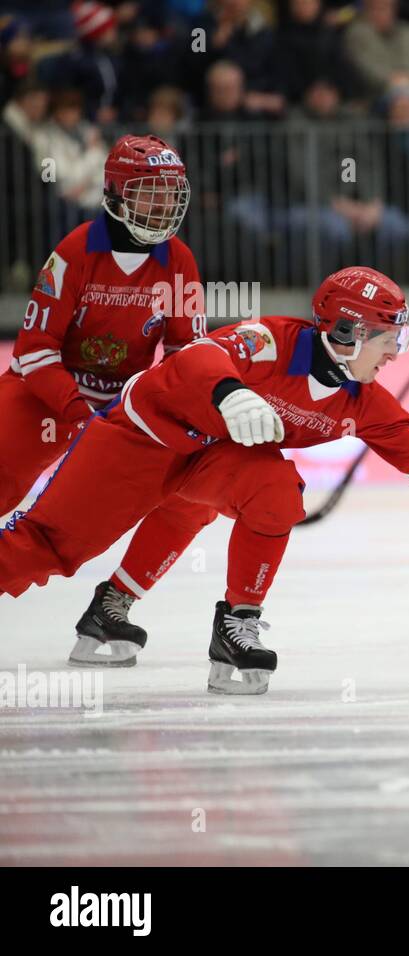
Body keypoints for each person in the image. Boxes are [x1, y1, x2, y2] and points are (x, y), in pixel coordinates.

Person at [0, 267, 409, 696]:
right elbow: (196, 359)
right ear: (349, 333)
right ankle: (104, 597)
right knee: (47, 550)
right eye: (389, 340)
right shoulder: (273, 341)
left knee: (275, 491)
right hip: (136, 444)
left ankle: (237, 624)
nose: (394, 355)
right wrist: (230, 392)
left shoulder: (366, 401)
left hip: (205, 461)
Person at [0, 134, 217, 668]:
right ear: (116, 197)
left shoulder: (178, 260)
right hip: (44, 399)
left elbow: (185, 350)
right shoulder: (74, 252)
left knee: (194, 490)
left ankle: (113, 603)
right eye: (149, 193)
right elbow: (33, 350)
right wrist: (76, 413)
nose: (163, 206)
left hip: (121, 410)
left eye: (171, 195)